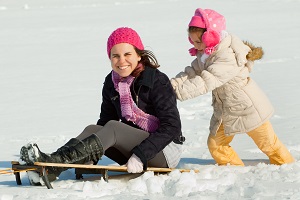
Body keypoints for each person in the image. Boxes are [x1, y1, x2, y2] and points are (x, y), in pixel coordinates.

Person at [19, 27, 185, 185]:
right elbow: (104, 122)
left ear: (139, 55)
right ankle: (50, 163)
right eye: (115, 56)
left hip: (164, 151)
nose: (122, 61)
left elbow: (172, 126)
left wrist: (141, 155)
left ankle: (53, 166)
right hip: (135, 146)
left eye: (127, 54)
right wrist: (89, 155)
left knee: (113, 127)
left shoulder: (157, 80)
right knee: (93, 129)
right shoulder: (111, 82)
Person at [170, 8, 294, 166]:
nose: (196, 46)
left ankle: (288, 167)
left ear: (211, 37)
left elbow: (207, 80)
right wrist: (169, 85)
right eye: (192, 41)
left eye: (198, 41)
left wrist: (177, 92)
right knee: (216, 145)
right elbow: (192, 71)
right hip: (226, 111)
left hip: (248, 108)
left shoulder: (227, 56)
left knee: (269, 144)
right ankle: (234, 172)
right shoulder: (206, 54)